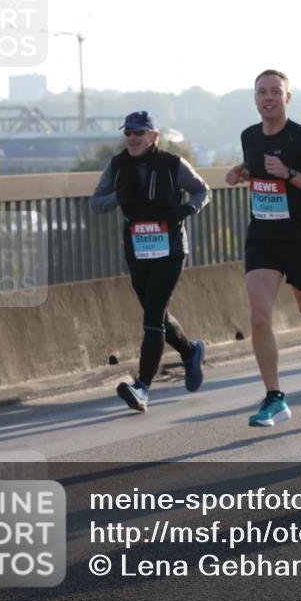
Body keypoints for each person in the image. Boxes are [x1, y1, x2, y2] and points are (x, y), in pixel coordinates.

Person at [224, 70, 301, 426]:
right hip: (262, 238)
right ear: (255, 98)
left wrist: (289, 173)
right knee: (259, 315)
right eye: (262, 92)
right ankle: (275, 396)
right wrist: (242, 172)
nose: (268, 98)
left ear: (287, 98)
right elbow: (258, 167)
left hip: (299, 241)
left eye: (275, 92)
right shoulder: (249, 136)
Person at [91, 111, 211, 413]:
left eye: (138, 132)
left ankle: (142, 387)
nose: (132, 138)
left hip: (170, 248)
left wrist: (186, 211)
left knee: (153, 316)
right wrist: (119, 195)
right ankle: (190, 351)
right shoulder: (118, 166)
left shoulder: (172, 164)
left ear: (153, 136)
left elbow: (203, 191)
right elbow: (97, 203)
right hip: (137, 248)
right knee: (155, 313)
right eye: (128, 132)